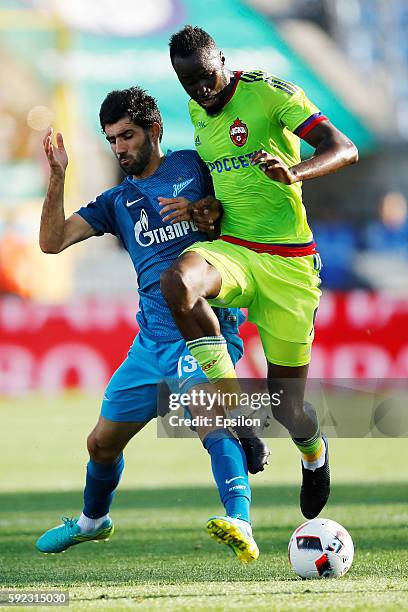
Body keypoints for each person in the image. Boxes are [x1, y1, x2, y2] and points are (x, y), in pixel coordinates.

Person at [35, 86, 263, 563]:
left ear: (154, 131)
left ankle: (240, 521)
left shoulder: (194, 168)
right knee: (100, 444)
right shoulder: (116, 201)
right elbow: (52, 243)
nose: (119, 148)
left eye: (127, 136)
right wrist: (57, 177)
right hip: (150, 343)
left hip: (203, 333)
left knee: (210, 422)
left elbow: (240, 217)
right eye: (112, 139)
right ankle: (92, 523)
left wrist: (210, 214)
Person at [161, 26, 359, 541]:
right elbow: (224, 191)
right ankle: (235, 411)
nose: (201, 91)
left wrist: (296, 171)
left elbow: (344, 147)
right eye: (188, 83)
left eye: (206, 78)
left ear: (222, 60)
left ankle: (314, 456)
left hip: (290, 264)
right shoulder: (195, 111)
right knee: (179, 284)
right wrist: (204, 210)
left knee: (287, 406)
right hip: (236, 251)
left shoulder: (270, 94)